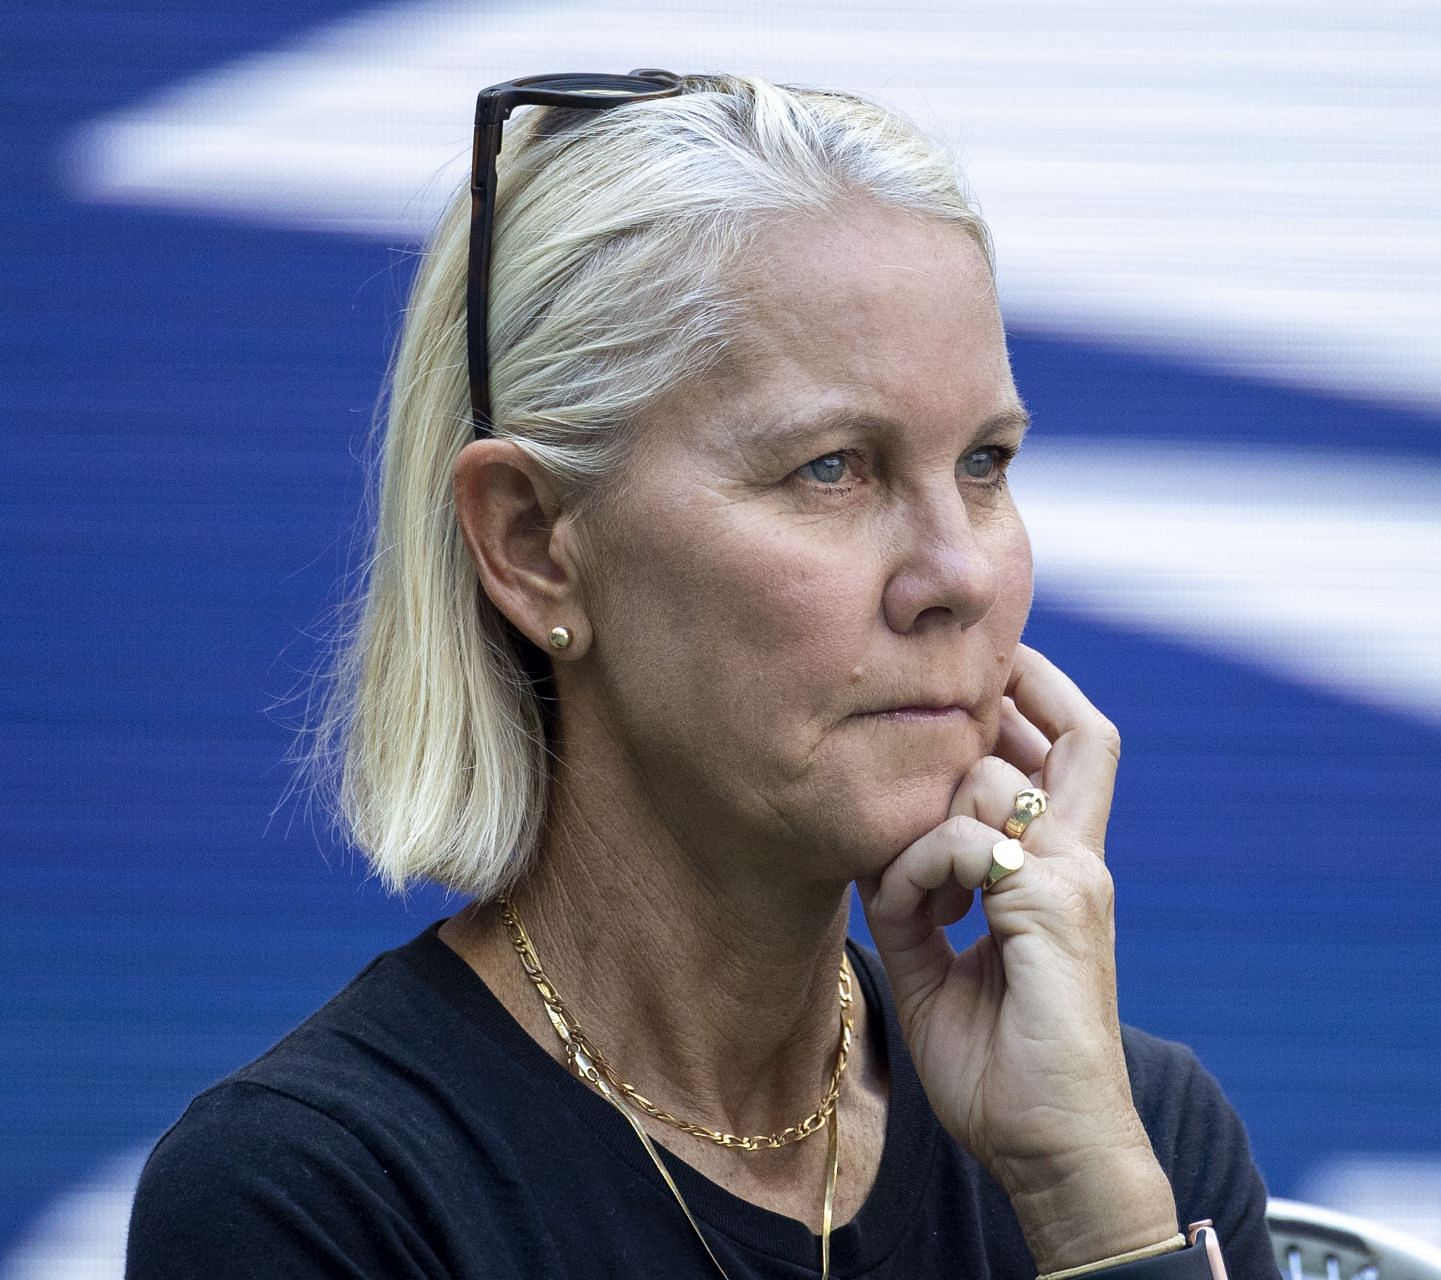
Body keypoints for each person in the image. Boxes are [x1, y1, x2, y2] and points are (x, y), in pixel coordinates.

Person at [125, 70, 1279, 1279]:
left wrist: (1093, 1205)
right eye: (833, 466)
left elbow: (1107, 1172)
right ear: (532, 542)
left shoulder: (1133, 1132)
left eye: (986, 462)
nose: (959, 573)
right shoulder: (317, 1197)